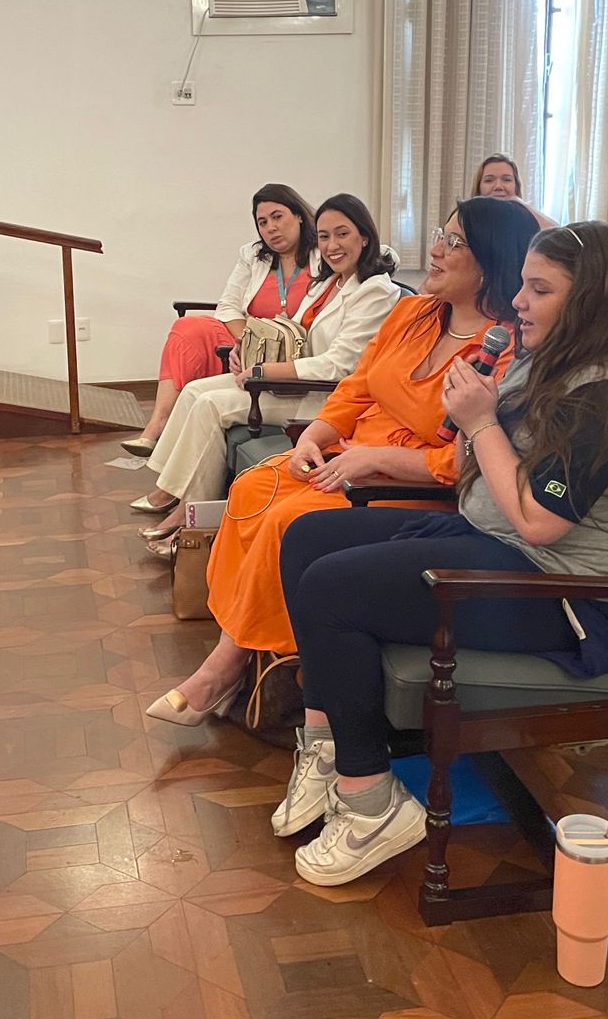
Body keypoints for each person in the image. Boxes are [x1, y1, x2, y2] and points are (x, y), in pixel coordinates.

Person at [266, 221, 608, 885]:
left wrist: (483, 419)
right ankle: (326, 744)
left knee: (332, 589)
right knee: (307, 537)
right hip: (493, 544)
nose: (517, 301)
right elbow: (472, 467)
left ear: (592, 300)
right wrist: (473, 407)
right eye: (522, 284)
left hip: (561, 596)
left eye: (540, 289)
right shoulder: (547, 356)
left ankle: (370, 801)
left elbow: (540, 520)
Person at [145, 197, 540, 725]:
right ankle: (249, 653)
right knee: (253, 488)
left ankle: (230, 667)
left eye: (454, 242)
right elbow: (356, 387)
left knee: (291, 520)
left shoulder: (506, 348)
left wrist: (378, 459)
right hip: (351, 455)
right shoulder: (414, 313)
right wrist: (314, 436)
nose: (435, 251)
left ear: (492, 259)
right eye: (439, 235)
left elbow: (467, 462)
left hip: (410, 484)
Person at [131, 194, 402, 540]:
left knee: (210, 405)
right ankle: (171, 493)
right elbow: (289, 330)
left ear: (364, 236)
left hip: (322, 396)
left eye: (342, 234)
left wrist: (265, 372)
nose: (332, 245)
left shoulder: (375, 291)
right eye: (324, 236)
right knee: (194, 391)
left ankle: (191, 520)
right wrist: (244, 351)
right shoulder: (329, 281)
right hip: (293, 382)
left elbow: (339, 365)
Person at [122, 185, 318, 461]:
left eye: (278, 217)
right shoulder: (253, 255)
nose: (271, 228)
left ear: (298, 215)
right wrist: (246, 342)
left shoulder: (323, 256)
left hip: (295, 351)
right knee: (186, 328)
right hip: (250, 341)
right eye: (262, 222)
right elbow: (228, 306)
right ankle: (158, 423)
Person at [473, 153, 557, 229]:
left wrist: (522, 205)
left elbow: (560, 237)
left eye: (507, 179)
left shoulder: (523, 221)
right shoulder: (469, 220)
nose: (498, 186)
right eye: (489, 180)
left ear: (516, 186)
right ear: (478, 187)